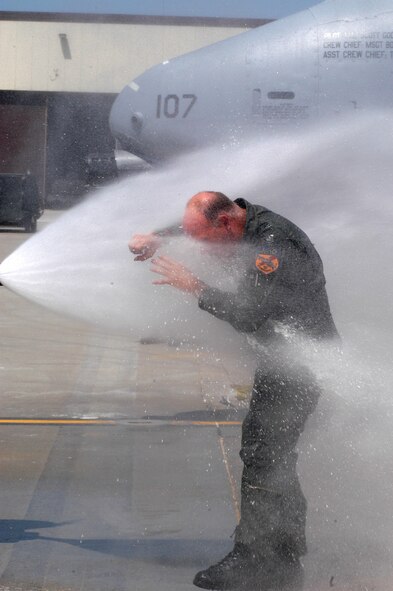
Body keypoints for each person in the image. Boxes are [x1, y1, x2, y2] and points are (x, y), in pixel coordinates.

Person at [129, 191, 339, 590]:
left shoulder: (272, 244)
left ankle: (255, 559)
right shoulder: (240, 220)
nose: (200, 249)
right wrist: (161, 236)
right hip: (284, 361)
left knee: (264, 453)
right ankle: (284, 556)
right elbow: (198, 225)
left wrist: (194, 285)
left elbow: (249, 314)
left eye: (202, 240)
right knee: (270, 453)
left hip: (301, 367)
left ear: (226, 223)